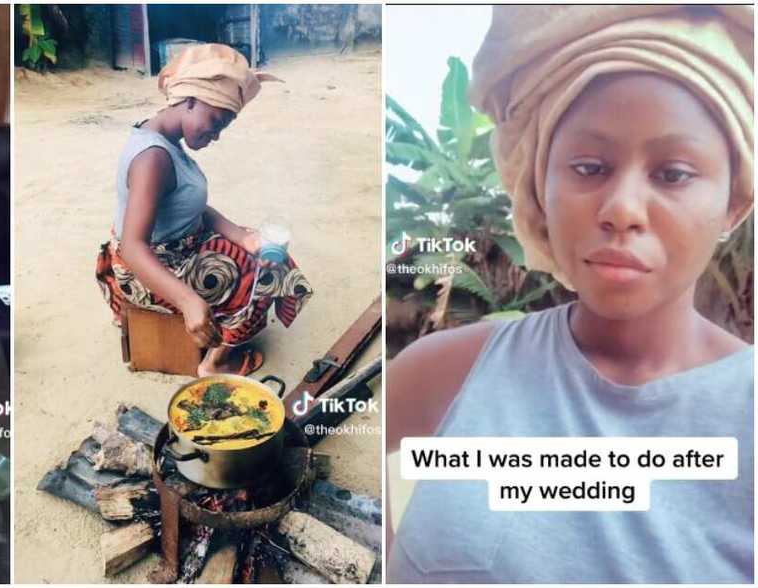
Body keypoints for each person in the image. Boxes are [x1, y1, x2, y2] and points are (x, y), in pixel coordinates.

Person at [386, 6, 754, 583]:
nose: (622, 210)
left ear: (736, 203)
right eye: (588, 166)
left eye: (673, 173)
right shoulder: (437, 378)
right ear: (539, 186)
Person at [95, 44, 312, 377]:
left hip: (178, 247)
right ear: (190, 100)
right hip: (150, 265)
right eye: (216, 121)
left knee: (268, 251)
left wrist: (243, 235)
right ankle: (215, 361)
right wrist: (188, 302)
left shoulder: (164, 139)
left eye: (224, 125)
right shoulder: (153, 158)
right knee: (266, 272)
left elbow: (192, 208)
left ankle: (223, 335)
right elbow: (132, 246)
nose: (218, 134)